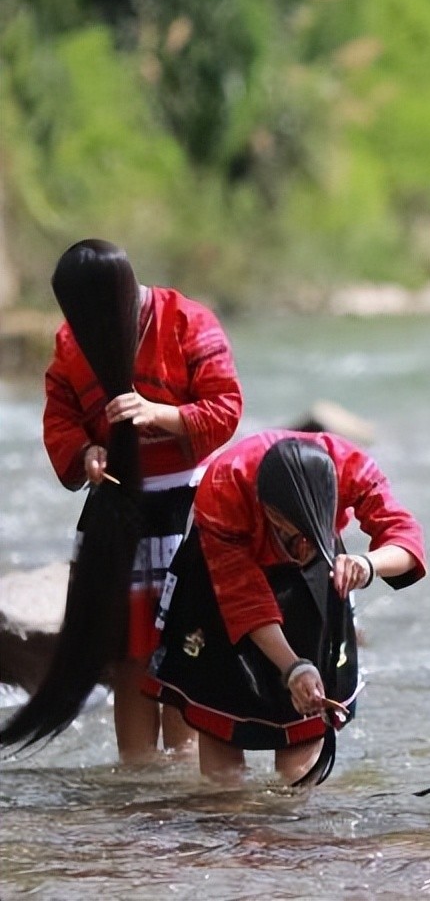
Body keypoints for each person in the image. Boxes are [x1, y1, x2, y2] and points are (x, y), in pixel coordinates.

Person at [36, 238, 243, 763]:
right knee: (128, 653)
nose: (80, 325)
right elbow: (60, 416)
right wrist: (85, 453)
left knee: (181, 645)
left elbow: (226, 406)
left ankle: (177, 771)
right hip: (115, 510)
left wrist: (162, 415)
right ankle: (136, 774)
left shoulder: (187, 321)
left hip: (185, 506)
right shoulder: (70, 343)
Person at [143, 431, 427, 785]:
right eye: (293, 536)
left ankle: (296, 832)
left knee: (302, 745)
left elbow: (405, 538)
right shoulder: (225, 484)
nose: (301, 548)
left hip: (315, 574)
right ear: (269, 511)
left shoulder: (351, 469)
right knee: (221, 740)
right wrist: (293, 667)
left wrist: (367, 564)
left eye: (310, 537)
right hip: (223, 574)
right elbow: (244, 600)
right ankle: (222, 827)